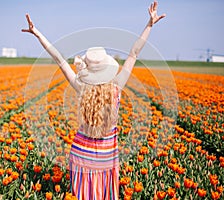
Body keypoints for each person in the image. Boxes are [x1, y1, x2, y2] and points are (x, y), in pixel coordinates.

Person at [22, 1, 165, 199]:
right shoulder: (116, 88)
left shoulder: (82, 88)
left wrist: (37, 33)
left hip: (81, 156)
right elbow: (134, 53)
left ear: (88, 69)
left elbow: (59, 59)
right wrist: (149, 25)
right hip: (106, 158)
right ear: (107, 66)